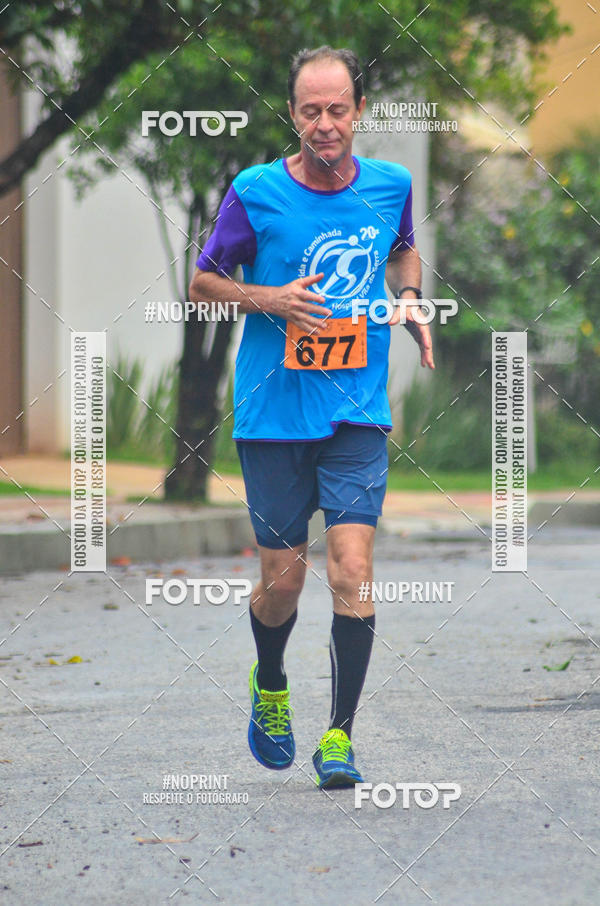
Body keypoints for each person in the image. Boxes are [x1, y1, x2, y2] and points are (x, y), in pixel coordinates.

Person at [189, 45, 434, 789]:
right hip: (272, 412)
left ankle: (339, 737)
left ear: (359, 112)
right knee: (284, 580)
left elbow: (403, 256)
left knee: (353, 569)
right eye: (309, 111)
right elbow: (202, 282)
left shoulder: (391, 185)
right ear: (291, 114)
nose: (324, 124)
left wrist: (411, 297)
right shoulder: (255, 191)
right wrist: (270, 299)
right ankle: (270, 684)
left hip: (357, 408)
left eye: (337, 109)